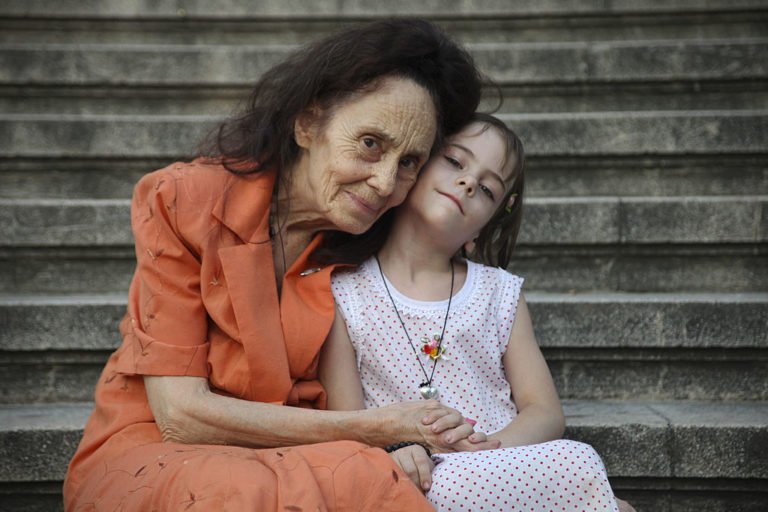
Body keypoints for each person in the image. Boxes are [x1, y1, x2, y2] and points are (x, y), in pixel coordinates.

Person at [63, 19, 491, 511]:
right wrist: (378, 429)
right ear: (308, 123)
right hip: (154, 451)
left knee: (367, 480)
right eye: (371, 143)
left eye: (410, 162)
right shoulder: (184, 200)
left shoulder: (369, 246)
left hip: (294, 453)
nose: (384, 182)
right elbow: (180, 415)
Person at [321, 113, 636, 511]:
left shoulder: (498, 292)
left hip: (501, 461)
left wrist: (487, 449)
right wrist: (396, 453)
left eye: (487, 189)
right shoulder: (344, 292)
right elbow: (348, 424)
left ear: (479, 233)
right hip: (418, 476)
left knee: (578, 461)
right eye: (455, 161)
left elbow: (543, 410)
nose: (469, 182)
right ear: (412, 168)